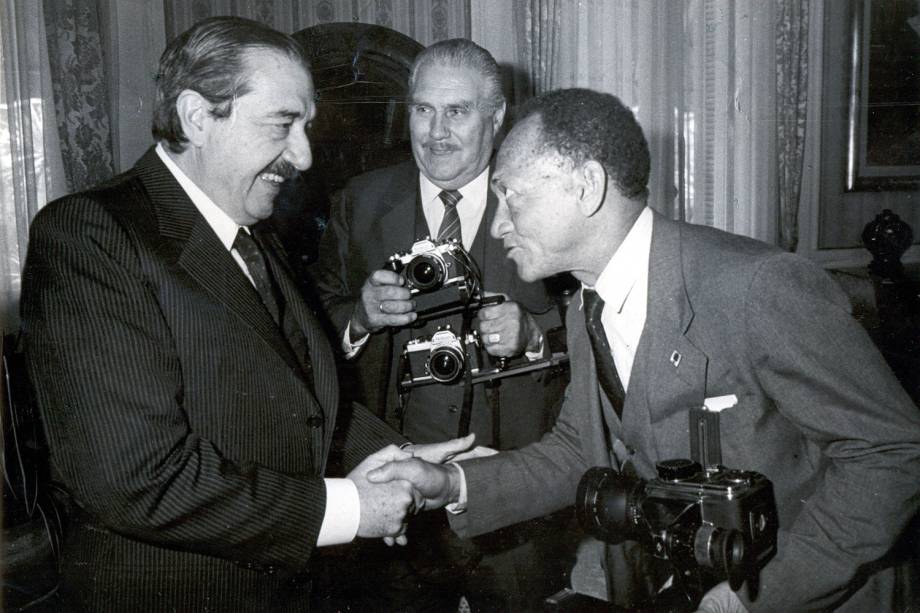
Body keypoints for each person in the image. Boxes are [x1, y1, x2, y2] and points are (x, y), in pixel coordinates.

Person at [368, 88, 920, 612]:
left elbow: (893, 451)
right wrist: (452, 483)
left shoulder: (754, 286)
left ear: (586, 186)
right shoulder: (587, 305)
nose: (497, 221)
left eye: (510, 195)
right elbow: (580, 448)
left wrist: (759, 597)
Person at [19, 17, 471, 613]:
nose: (304, 156)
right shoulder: (90, 234)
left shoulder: (251, 228)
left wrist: (406, 460)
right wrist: (349, 508)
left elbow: (302, 400)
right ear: (197, 117)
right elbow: (134, 478)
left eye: (305, 127)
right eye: (283, 125)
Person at [309, 39, 568, 611]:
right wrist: (359, 317)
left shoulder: (543, 198)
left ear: (496, 117)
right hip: (396, 505)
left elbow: (597, 329)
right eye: (423, 110)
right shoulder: (361, 201)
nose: (436, 132)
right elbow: (303, 329)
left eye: (457, 111)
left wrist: (533, 334)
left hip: (514, 502)